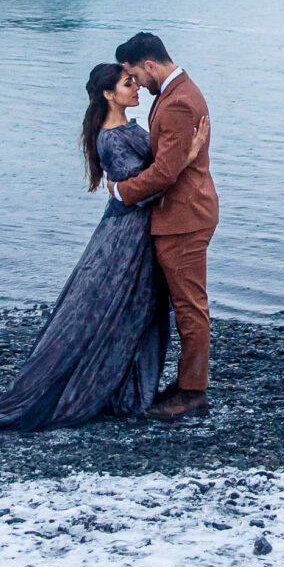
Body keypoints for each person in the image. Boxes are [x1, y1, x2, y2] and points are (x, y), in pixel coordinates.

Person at [0, 62, 176, 430]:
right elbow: (140, 192)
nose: (136, 88)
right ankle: (115, 388)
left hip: (133, 230)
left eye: (134, 82)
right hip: (127, 237)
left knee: (134, 309)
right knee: (122, 307)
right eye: (128, 84)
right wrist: (184, 158)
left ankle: (128, 386)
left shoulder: (124, 128)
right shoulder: (111, 137)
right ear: (108, 94)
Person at [108, 31, 217, 421]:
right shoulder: (175, 94)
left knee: (190, 307)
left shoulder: (176, 104)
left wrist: (121, 192)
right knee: (183, 304)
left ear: (149, 65)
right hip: (181, 213)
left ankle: (193, 393)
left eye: (136, 75)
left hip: (183, 217)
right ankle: (185, 383)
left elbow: (165, 173)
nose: (136, 83)